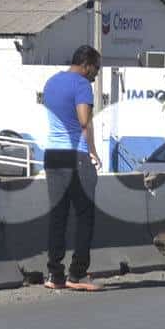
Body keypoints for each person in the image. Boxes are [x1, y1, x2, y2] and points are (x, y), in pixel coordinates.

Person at [40, 45, 102, 291]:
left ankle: (55, 274)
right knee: (85, 214)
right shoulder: (81, 85)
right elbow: (84, 121)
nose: (95, 75)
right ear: (86, 64)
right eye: (95, 69)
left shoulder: (51, 82)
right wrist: (93, 152)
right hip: (74, 154)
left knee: (58, 215)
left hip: (52, 155)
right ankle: (78, 274)